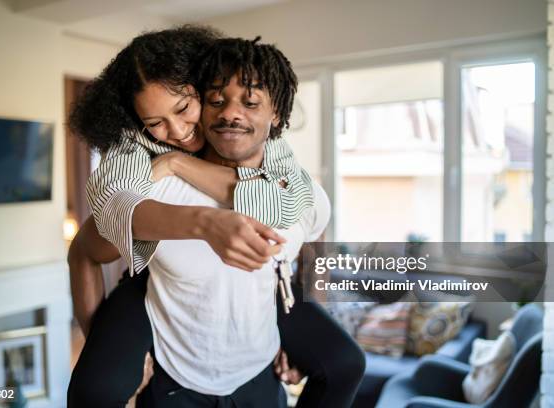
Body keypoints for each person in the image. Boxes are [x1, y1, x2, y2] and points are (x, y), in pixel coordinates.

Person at [68, 28, 365, 408]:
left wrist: (305, 323)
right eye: (218, 100)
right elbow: (98, 231)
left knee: (347, 363)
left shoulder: (296, 188)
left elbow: (311, 230)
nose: (231, 113)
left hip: (258, 379)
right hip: (175, 381)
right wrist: (107, 352)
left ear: (276, 114)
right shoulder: (150, 175)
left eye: (251, 102)